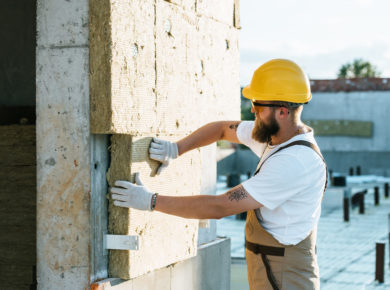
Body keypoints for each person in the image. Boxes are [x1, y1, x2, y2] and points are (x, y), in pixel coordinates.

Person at [110, 59, 327, 290]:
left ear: (282, 112)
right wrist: (175, 149)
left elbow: (221, 207)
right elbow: (222, 129)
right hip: (270, 266)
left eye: (257, 104)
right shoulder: (274, 136)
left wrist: (151, 201)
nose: (252, 109)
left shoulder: (294, 163)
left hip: (286, 276)